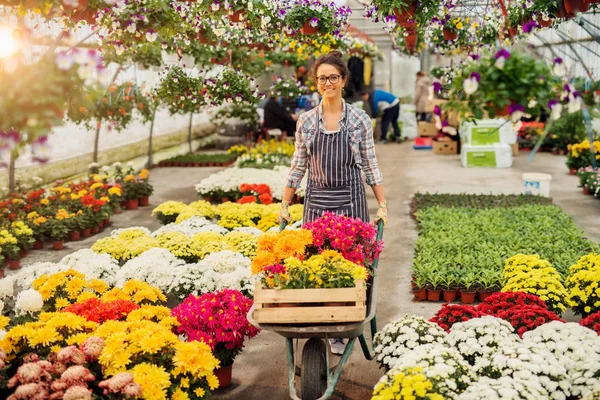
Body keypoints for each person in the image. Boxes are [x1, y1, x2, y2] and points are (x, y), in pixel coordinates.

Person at [278, 51, 388, 355]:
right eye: (322, 78)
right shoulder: (307, 122)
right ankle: (320, 319)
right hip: (317, 202)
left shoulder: (359, 121)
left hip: (351, 202)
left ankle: (341, 328)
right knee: (316, 265)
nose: (328, 83)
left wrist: (382, 203)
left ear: (343, 80)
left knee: (349, 266)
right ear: (316, 82)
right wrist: (285, 203)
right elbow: (298, 166)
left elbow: (370, 165)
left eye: (334, 77)